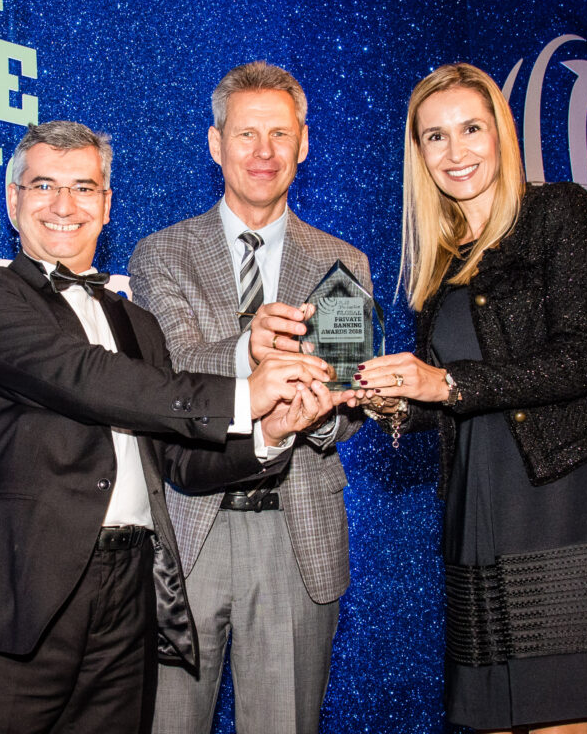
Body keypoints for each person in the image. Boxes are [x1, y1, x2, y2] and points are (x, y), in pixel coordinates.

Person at [0, 120, 341, 734]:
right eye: (43, 186)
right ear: (13, 200)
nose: (64, 205)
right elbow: (81, 376)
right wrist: (245, 393)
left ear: (106, 206)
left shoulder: (138, 324)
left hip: (131, 593)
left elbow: (178, 461)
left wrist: (271, 433)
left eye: (84, 188)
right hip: (19, 590)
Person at [353, 63, 587, 733]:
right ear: (419, 154)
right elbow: (445, 399)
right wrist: (394, 402)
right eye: (435, 137)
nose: (455, 151)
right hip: (476, 502)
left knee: (563, 710)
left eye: (471, 129)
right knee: (491, 714)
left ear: (501, 133)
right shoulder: (438, 260)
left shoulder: (558, 211)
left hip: (558, 496)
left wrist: (444, 382)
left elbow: (576, 361)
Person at [129, 63, 371, 734]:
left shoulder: (343, 263)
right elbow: (172, 371)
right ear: (216, 144)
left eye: (280, 134)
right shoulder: (161, 254)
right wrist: (248, 353)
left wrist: (318, 419)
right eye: (246, 135)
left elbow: (347, 396)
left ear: (304, 144)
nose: (264, 152)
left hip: (296, 535)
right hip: (191, 532)